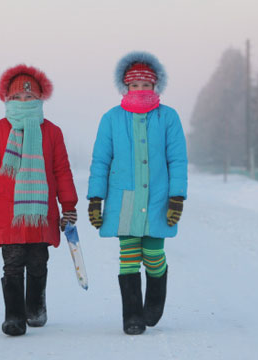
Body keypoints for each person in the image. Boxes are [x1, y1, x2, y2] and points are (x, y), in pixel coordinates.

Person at [0, 64, 78, 336]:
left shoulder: (52, 132)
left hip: (41, 211)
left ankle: (35, 307)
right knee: (13, 262)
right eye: (16, 97)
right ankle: (14, 316)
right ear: (6, 100)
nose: (23, 101)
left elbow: (62, 171)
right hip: (9, 212)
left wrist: (69, 207)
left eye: (29, 97)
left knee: (38, 261)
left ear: (40, 99)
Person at [87, 51, 188, 335]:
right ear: (125, 87)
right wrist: (96, 198)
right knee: (129, 256)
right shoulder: (111, 118)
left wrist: (177, 195)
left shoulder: (168, 117)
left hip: (158, 198)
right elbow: (101, 161)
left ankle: (154, 301)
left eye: (146, 85)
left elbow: (177, 159)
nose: (140, 90)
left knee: (153, 255)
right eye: (134, 85)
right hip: (125, 198)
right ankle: (132, 315)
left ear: (155, 86)